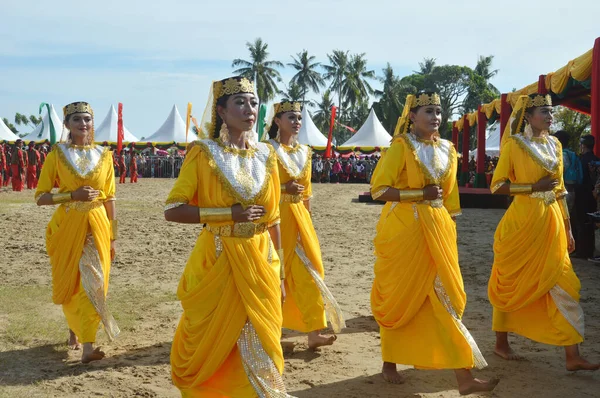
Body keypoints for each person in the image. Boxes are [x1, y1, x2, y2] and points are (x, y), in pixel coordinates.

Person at [165, 76, 294, 397]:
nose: (248, 109)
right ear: (221, 111)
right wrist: (227, 215)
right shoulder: (203, 153)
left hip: (262, 258)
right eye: (239, 102)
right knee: (214, 333)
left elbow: (273, 217)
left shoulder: (267, 154)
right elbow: (173, 209)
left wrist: (279, 273)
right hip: (219, 255)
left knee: (261, 333)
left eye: (253, 102)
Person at [370, 92, 498, 394]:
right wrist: (418, 195)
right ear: (412, 116)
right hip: (406, 231)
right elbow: (379, 190)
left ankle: (464, 378)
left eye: (439, 111)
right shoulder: (401, 148)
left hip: (438, 230)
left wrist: (448, 232)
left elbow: (449, 199)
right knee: (401, 296)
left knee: (445, 298)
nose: (435, 117)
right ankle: (391, 362)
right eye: (429, 111)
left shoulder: (448, 149)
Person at [489, 94, 599, 370]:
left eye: (551, 112)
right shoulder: (515, 145)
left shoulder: (556, 145)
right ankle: (501, 343)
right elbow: (497, 185)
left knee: (564, 283)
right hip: (522, 222)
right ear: (527, 116)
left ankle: (572, 355)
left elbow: (559, 189)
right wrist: (531, 188)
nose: (550, 117)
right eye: (544, 112)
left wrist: (568, 228)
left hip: (552, 223)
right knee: (510, 281)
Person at [35, 102, 119, 363]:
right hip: (68, 226)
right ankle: (76, 331)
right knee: (73, 280)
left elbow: (111, 197)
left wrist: (114, 237)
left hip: (98, 227)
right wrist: (72, 195)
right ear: (67, 124)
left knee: (94, 283)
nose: (83, 124)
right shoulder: (57, 155)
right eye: (77, 120)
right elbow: (40, 197)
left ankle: (88, 344)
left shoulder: (105, 156)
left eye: (87, 120)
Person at [266, 100, 345, 349]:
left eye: (299, 118)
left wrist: (307, 222)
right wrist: (282, 188)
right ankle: (272, 334)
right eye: (291, 117)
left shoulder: (305, 152)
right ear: (277, 121)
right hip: (274, 218)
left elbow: (307, 191)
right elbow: (259, 188)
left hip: (299, 218)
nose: (297, 122)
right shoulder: (266, 150)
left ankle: (314, 331)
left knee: (309, 274)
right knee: (273, 274)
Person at [553, 130, 582, 250]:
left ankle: (562, 245)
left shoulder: (562, 154)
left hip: (563, 192)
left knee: (561, 218)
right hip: (572, 190)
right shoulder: (572, 153)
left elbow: (560, 171)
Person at [574, 134, 599, 261]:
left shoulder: (580, 160)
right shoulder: (596, 159)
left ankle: (582, 251)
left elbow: (578, 178)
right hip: (593, 196)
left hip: (581, 195)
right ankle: (590, 250)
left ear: (583, 145)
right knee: (591, 222)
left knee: (581, 222)